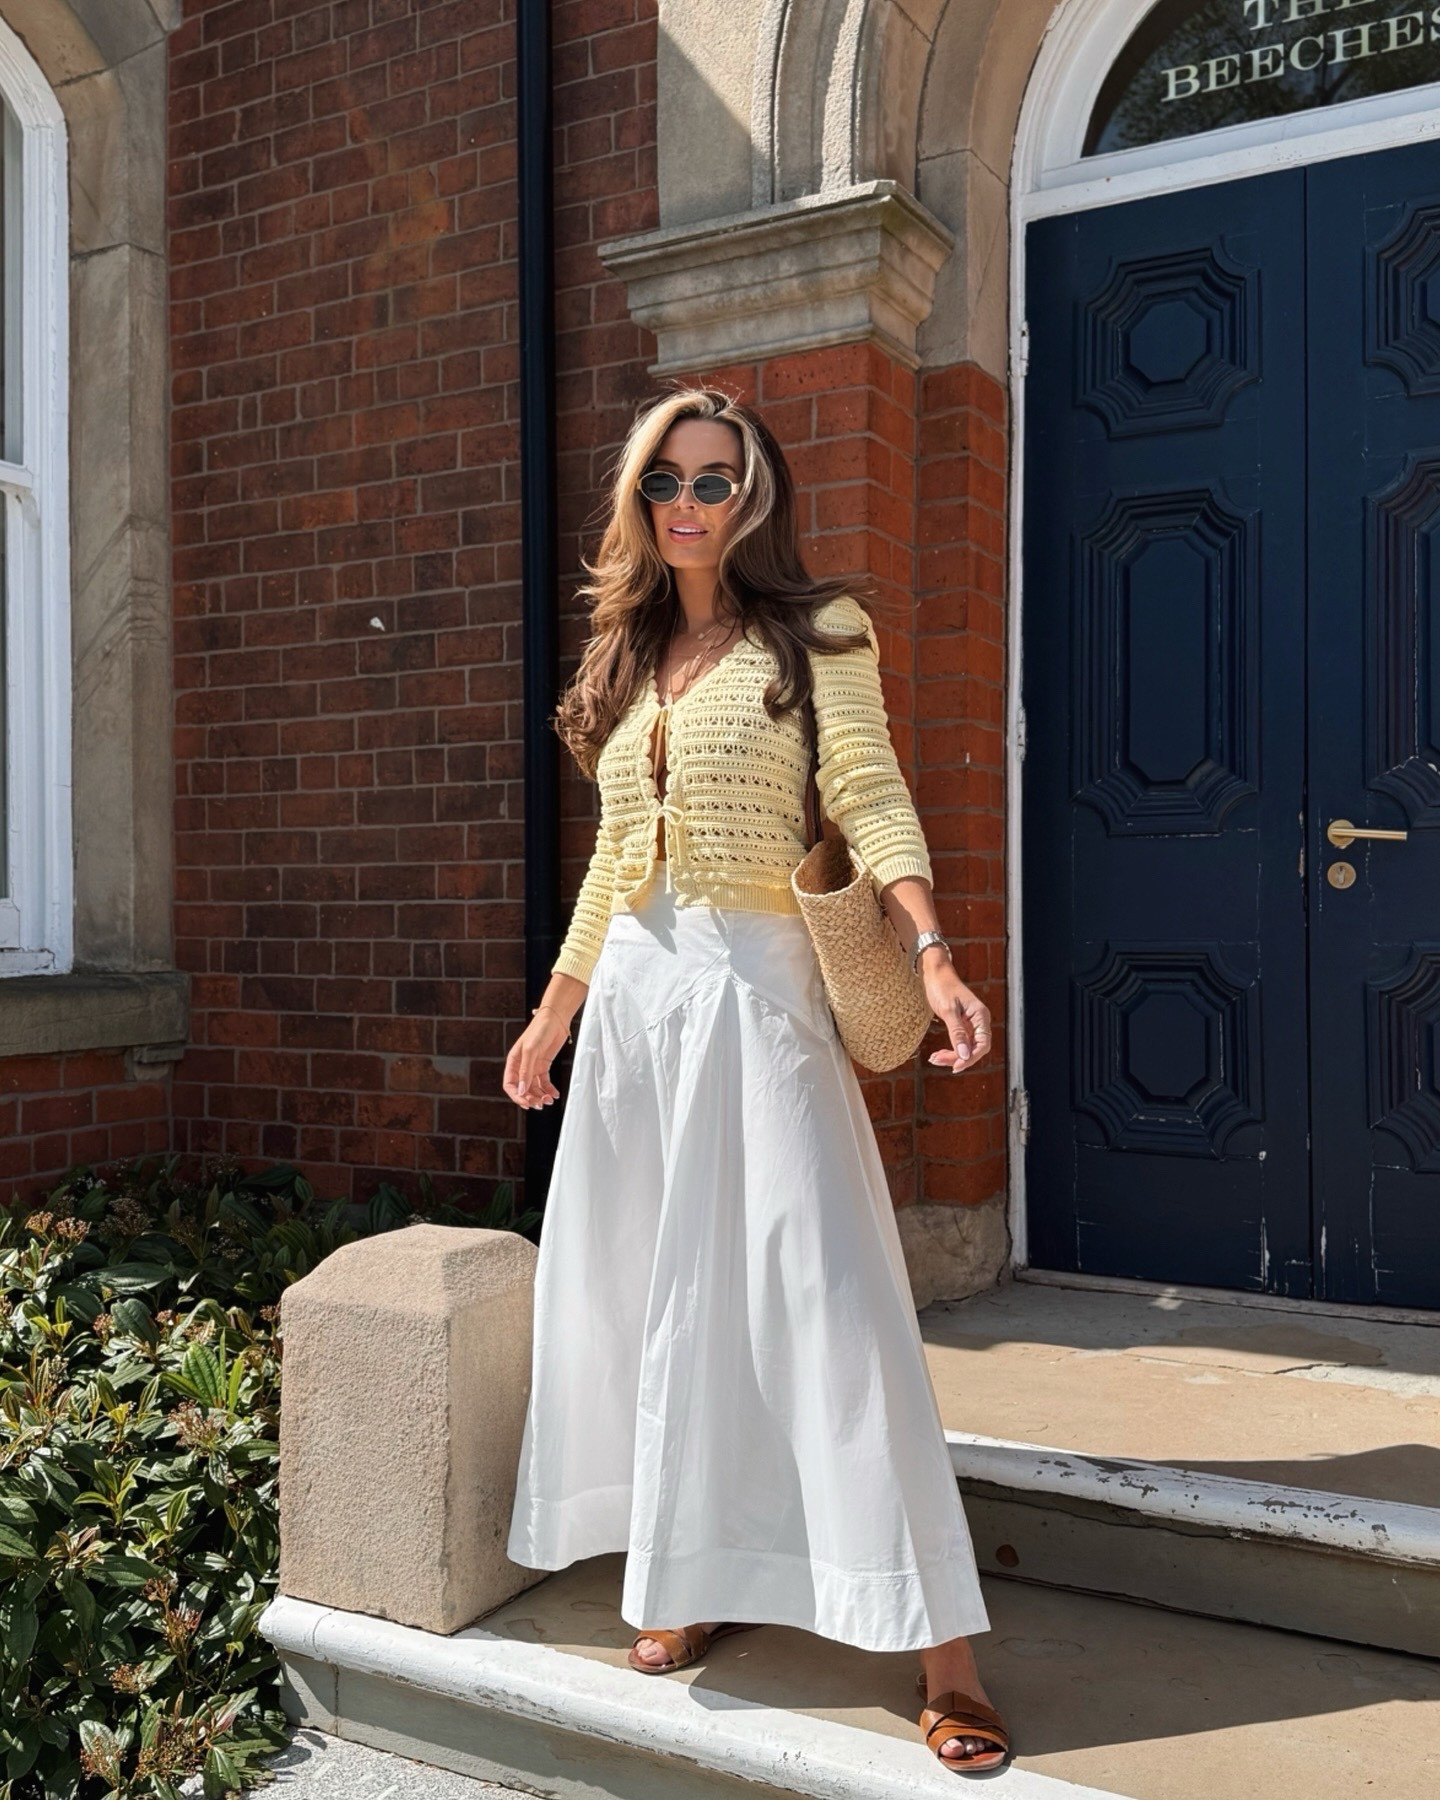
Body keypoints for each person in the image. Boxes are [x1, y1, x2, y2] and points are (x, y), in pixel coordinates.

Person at [501, 387, 1009, 1775]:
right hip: (638, 1012)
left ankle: (943, 1652)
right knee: (660, 1303)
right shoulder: (626, 657)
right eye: (665, 480)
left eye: (715, 480)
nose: (688, 504)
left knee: (828, 1303)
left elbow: (872, 792)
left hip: (759, 992)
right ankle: (692, 1568)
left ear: (754, 496)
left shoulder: (817, 629)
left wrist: (935, 955)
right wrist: (553, 1017)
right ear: (638, 497)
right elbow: (616, 865)